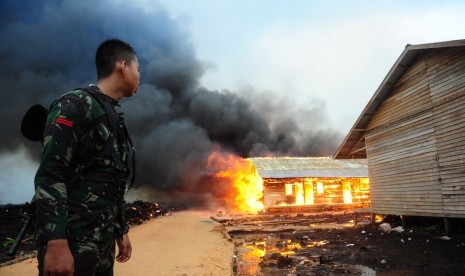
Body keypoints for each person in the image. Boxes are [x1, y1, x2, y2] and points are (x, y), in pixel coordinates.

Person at [34, 38, 140, 276]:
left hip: (100, 244)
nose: (139, 76)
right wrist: (56, 242)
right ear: (123, 66)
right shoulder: (75, 105)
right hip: (72, 243)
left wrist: (120, 230)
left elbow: (113, 179)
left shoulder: (111, 114)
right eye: (138, 69)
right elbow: (51, 173)